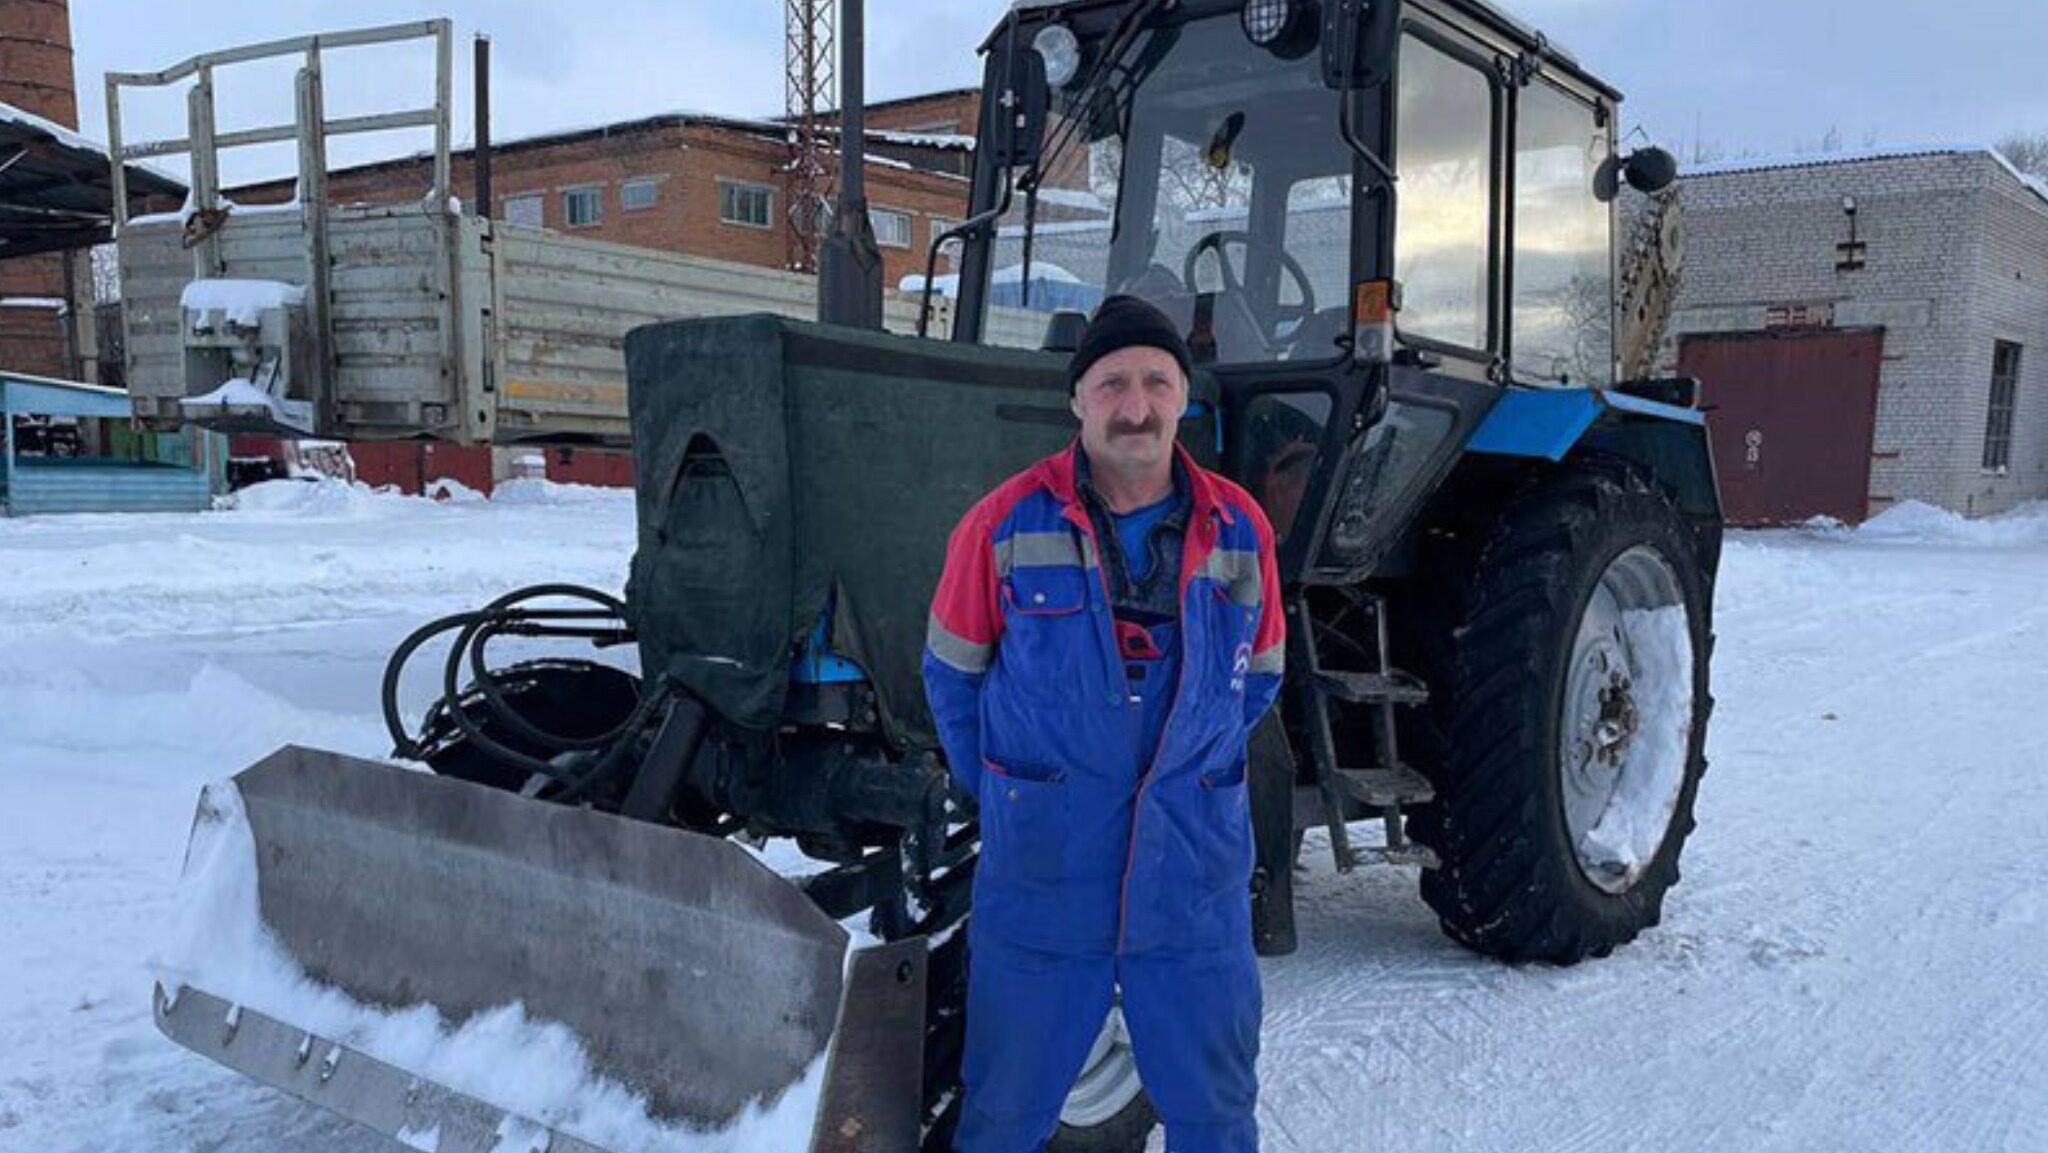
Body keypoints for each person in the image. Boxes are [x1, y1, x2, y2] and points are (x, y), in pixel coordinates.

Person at [922, 295, 1285, 1153]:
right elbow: (952, 677)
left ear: (1183, 397)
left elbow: (1258, 682)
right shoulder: (1003, 524)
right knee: (1003, 1115)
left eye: (1157, 381)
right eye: (1113, 382)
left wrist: (1183, 778)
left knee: (1216, 1114)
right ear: (1077, 400)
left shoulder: (1241, 528)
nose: (1137, 405)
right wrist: (1021, 796)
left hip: (1193, 878)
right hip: (1045, 881)